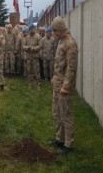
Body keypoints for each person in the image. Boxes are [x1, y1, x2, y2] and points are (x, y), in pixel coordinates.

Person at [48, 16, 78, 155]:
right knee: (56, 113)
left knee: (66, 114)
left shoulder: (70, 43)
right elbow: (59, 64)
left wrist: (66, 86)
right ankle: (59, 139)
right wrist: (54, 78)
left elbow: (71, 68)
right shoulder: (60, 41)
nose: (53, 34)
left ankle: (68, 144)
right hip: (57, 84)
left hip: (64, 87)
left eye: (55, 31)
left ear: (61, 29)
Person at [24, 24, 42, 89]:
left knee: (37, 71)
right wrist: (27, 47)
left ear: (33, 29)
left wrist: (34, 48)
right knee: (29, 71)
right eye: (30, 30)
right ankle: (30, 83)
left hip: (35, 56)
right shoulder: (27, 37)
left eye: (31, 29)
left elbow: (40, 46)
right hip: (29, 56)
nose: (30, 31)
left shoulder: (38, 36)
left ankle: (38, 84)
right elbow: (23, 45)